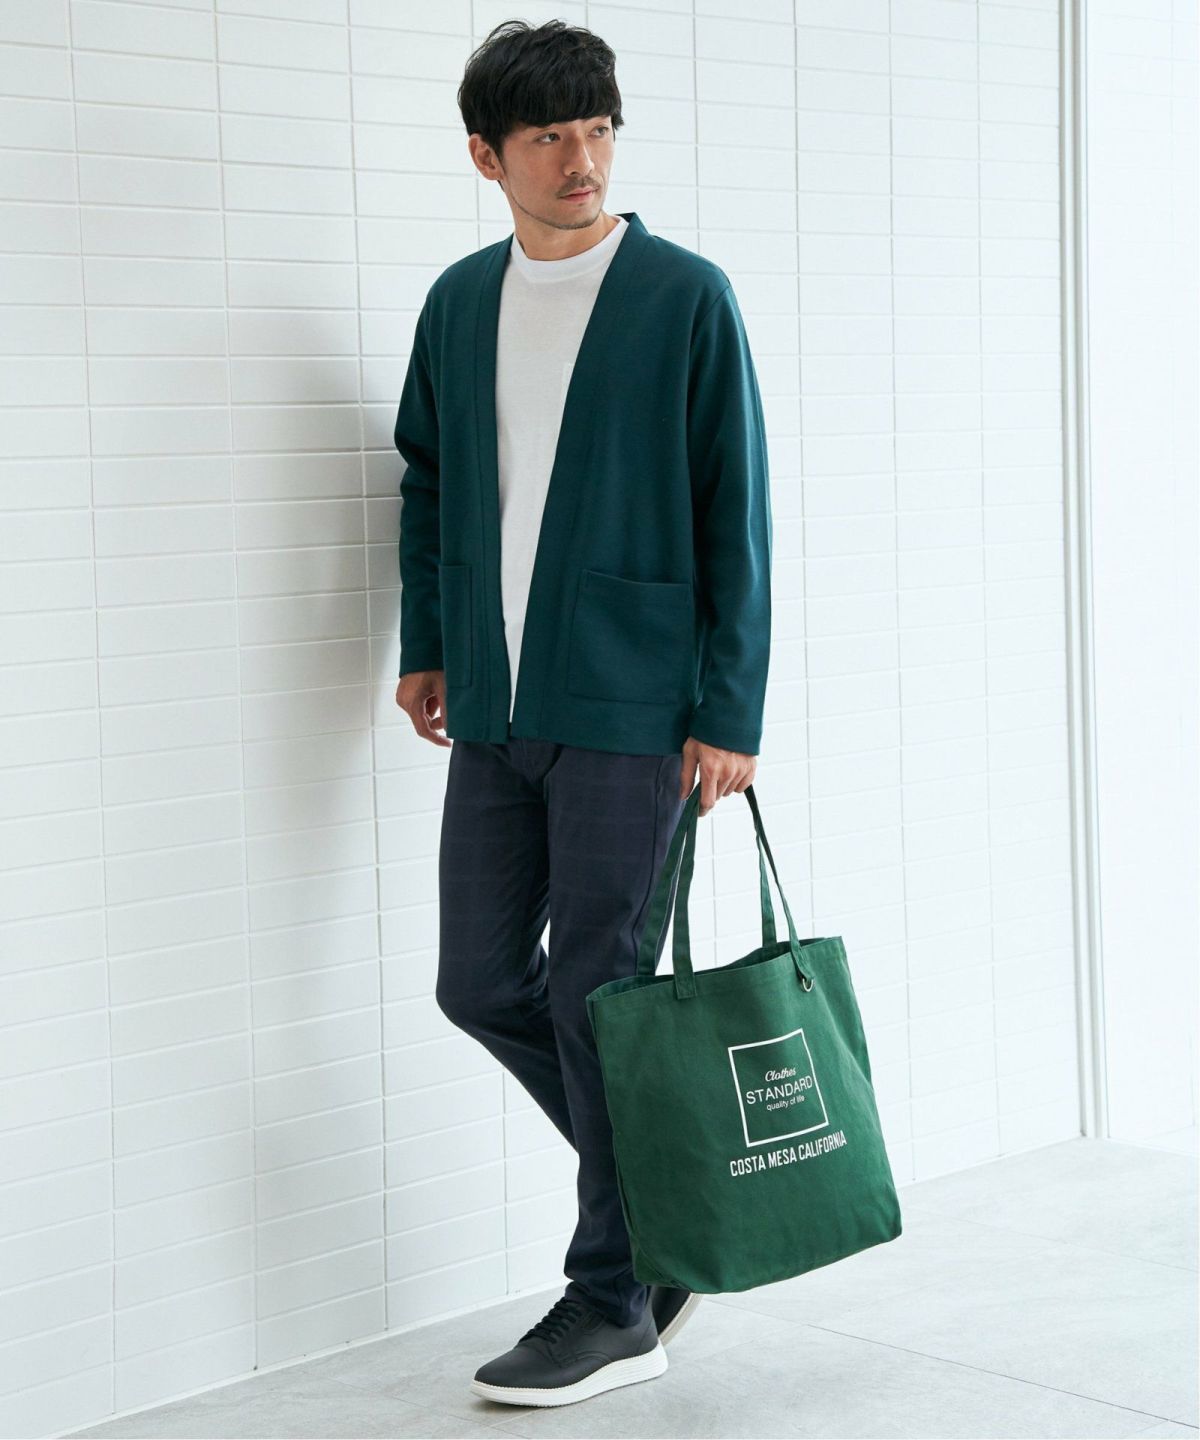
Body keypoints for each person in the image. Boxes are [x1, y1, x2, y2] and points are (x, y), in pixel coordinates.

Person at [392, 17, 773, 1409]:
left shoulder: (682, 296)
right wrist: (430, 643)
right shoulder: (459, 302)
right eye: (549, 134)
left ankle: (613, 1299)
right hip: (496, 703)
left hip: (635, 704)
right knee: (483, 983)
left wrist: (728, 707)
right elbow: (429, 479)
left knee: (599, 998)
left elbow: (739, 507)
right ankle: (672, 1208)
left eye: (599, 127)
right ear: (486, 156)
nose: (582, 159)